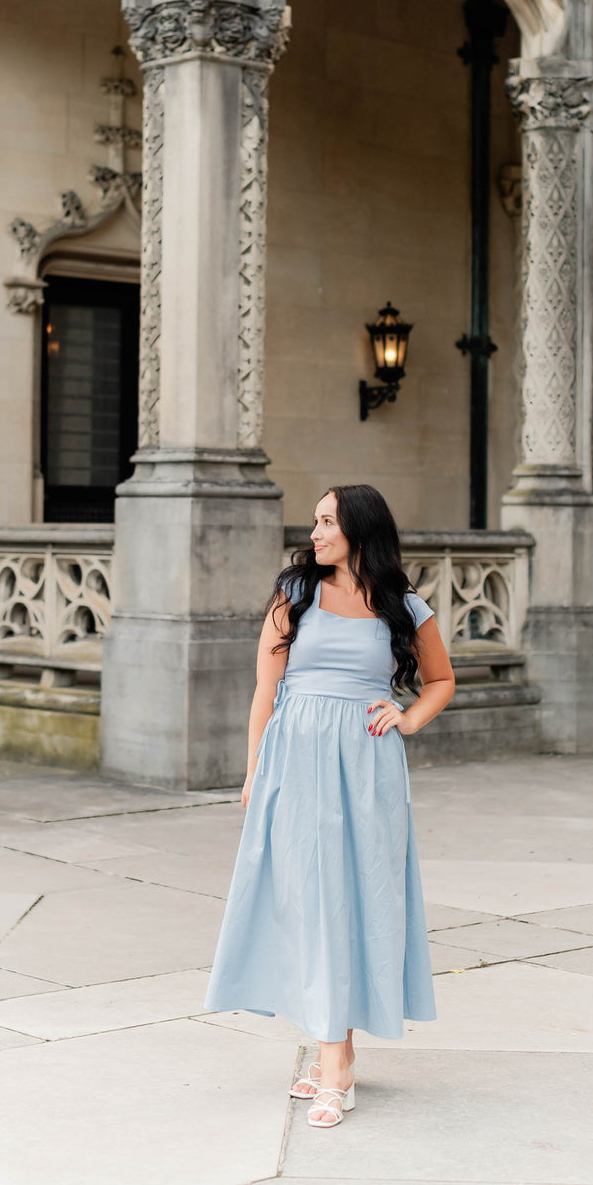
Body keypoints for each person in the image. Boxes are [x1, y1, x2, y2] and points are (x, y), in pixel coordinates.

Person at [204, 483, 456, 1128]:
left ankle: (333, 1061)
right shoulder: (295, 595)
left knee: (355, 901)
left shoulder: (403, 604)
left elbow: (441, 681)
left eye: (326, 521)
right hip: (295, 761)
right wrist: (256, 770)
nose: (313, 533)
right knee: (310, 903)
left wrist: (406, 718)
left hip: (367, 769)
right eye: (314, 522)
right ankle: (333, 1057)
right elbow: (266, 689)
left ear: (359, 529)